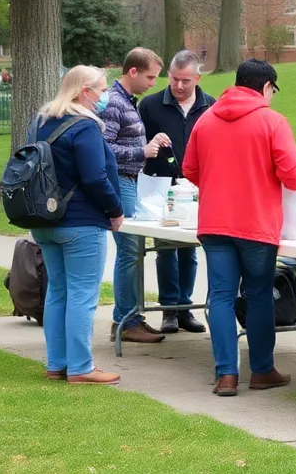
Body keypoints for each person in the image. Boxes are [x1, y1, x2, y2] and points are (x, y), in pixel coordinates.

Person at [183, 59, 296, 397]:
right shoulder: (272, 121)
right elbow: (293, 176)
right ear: (267, 87)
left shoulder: (205, 119)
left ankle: (226, 374)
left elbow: (189, 169)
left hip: (214, 222)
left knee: (220, 297)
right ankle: (262, 369)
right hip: (256, 224)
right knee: (258, 296)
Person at [29, 66, 125, 385]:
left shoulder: (40, 121)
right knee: (83, 295)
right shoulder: (84, 126)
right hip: (81, 222)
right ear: (85, 91)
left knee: (58, 292)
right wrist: (115, 209)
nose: (104, 96)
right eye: (101, 90)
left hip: (44, 219)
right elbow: (96, 177)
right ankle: (82, 367)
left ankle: (57, 363)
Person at [138, 49, 214, 334]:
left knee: (190, 249)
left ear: (196, 77)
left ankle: (184, 307)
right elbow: (137, 144)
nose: (179, 86)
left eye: (185, 81)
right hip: (161, 188)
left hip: (196, 188)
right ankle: (169, 308)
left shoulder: (210, 107)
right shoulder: (150, 106)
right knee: (165, 249)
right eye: (174, 80)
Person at [101, 47, 171, 345]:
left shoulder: (126, 102)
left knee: (133, 249)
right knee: (130, 250)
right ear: (133, 72)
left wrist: (149, 142)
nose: (154, 83)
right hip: (120, 181)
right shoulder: (115, 103)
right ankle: (126, 320)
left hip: (131, 179)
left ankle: (131, 317)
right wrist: (140, 151)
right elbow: (103, 150)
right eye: (151, 77)